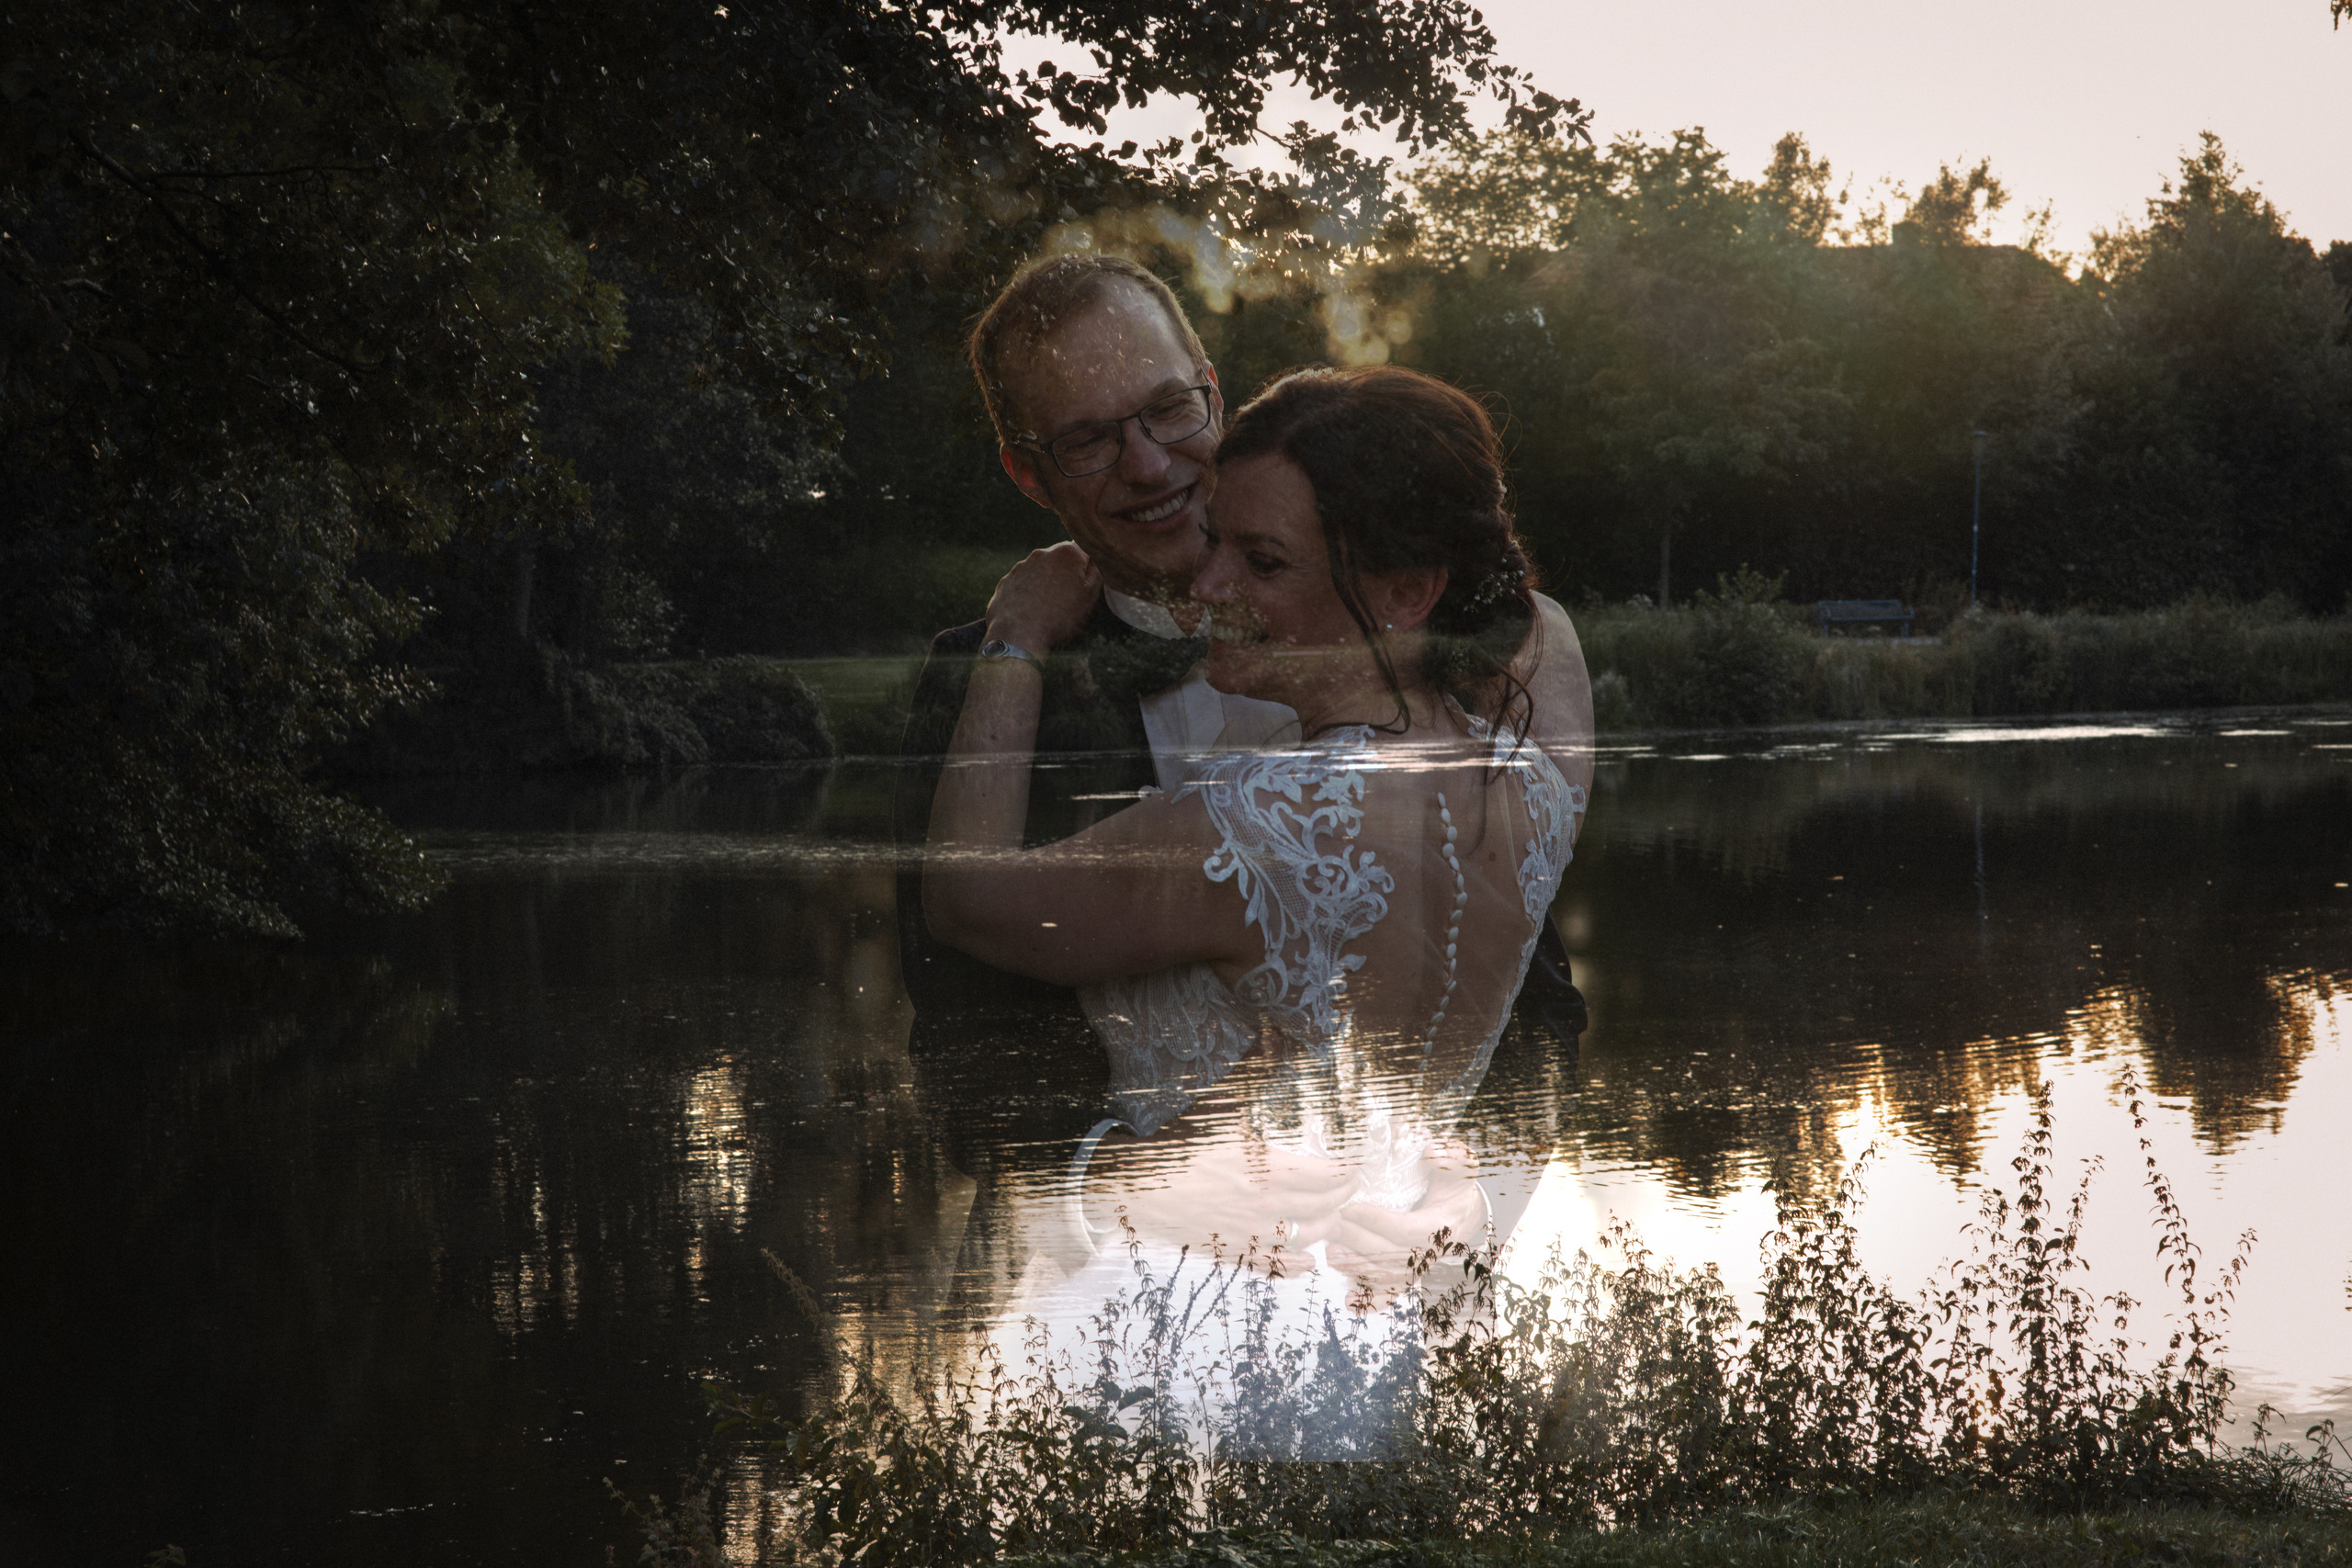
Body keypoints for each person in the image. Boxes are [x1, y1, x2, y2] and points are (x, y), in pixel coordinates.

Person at [890, 256, 1585, 1189]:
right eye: (1089, 440)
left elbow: (1532, 1007)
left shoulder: (1463, 646)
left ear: (1212, 392)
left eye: (1169, 410)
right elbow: (962, 1041)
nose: (1148, 465)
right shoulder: (977, 687)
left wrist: (1456, 1248)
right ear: (1028, 472)